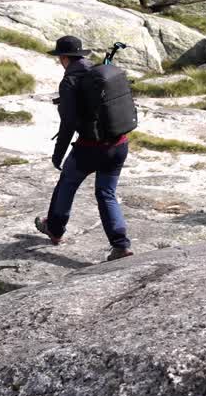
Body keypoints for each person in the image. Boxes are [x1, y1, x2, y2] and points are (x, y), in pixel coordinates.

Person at [34, 35, 134, 261]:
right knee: (106, 193)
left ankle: (55, 229)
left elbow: (68, 123)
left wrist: (58, 154)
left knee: (67, 183)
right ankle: (121, 245)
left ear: (63, 58)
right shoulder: (101, 73)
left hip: (90, 148)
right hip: (119, 144)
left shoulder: (70, 81)